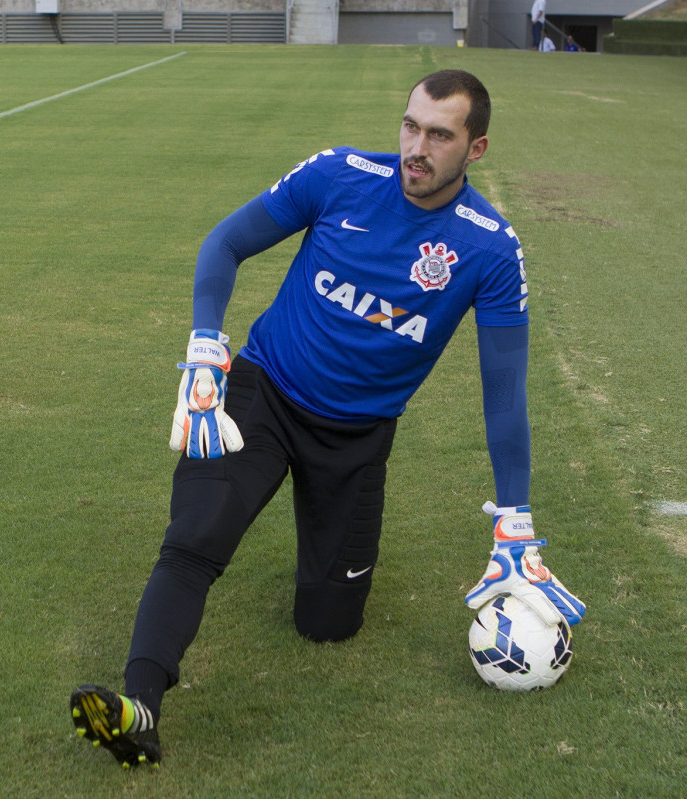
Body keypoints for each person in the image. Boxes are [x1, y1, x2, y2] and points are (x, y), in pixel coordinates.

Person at [68, 70, 585, 769]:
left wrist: (514, 520)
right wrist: (203, 344)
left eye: (439, 134)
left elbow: (505, 393)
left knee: (328, 625)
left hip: (357, 436)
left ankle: (318, 548)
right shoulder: (338, 174)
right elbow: (224, 243)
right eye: (410, 125)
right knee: (196, 536)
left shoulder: (490, 248)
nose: (416, 147)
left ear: (477, 148)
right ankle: (139, 704)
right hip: (263, 394)